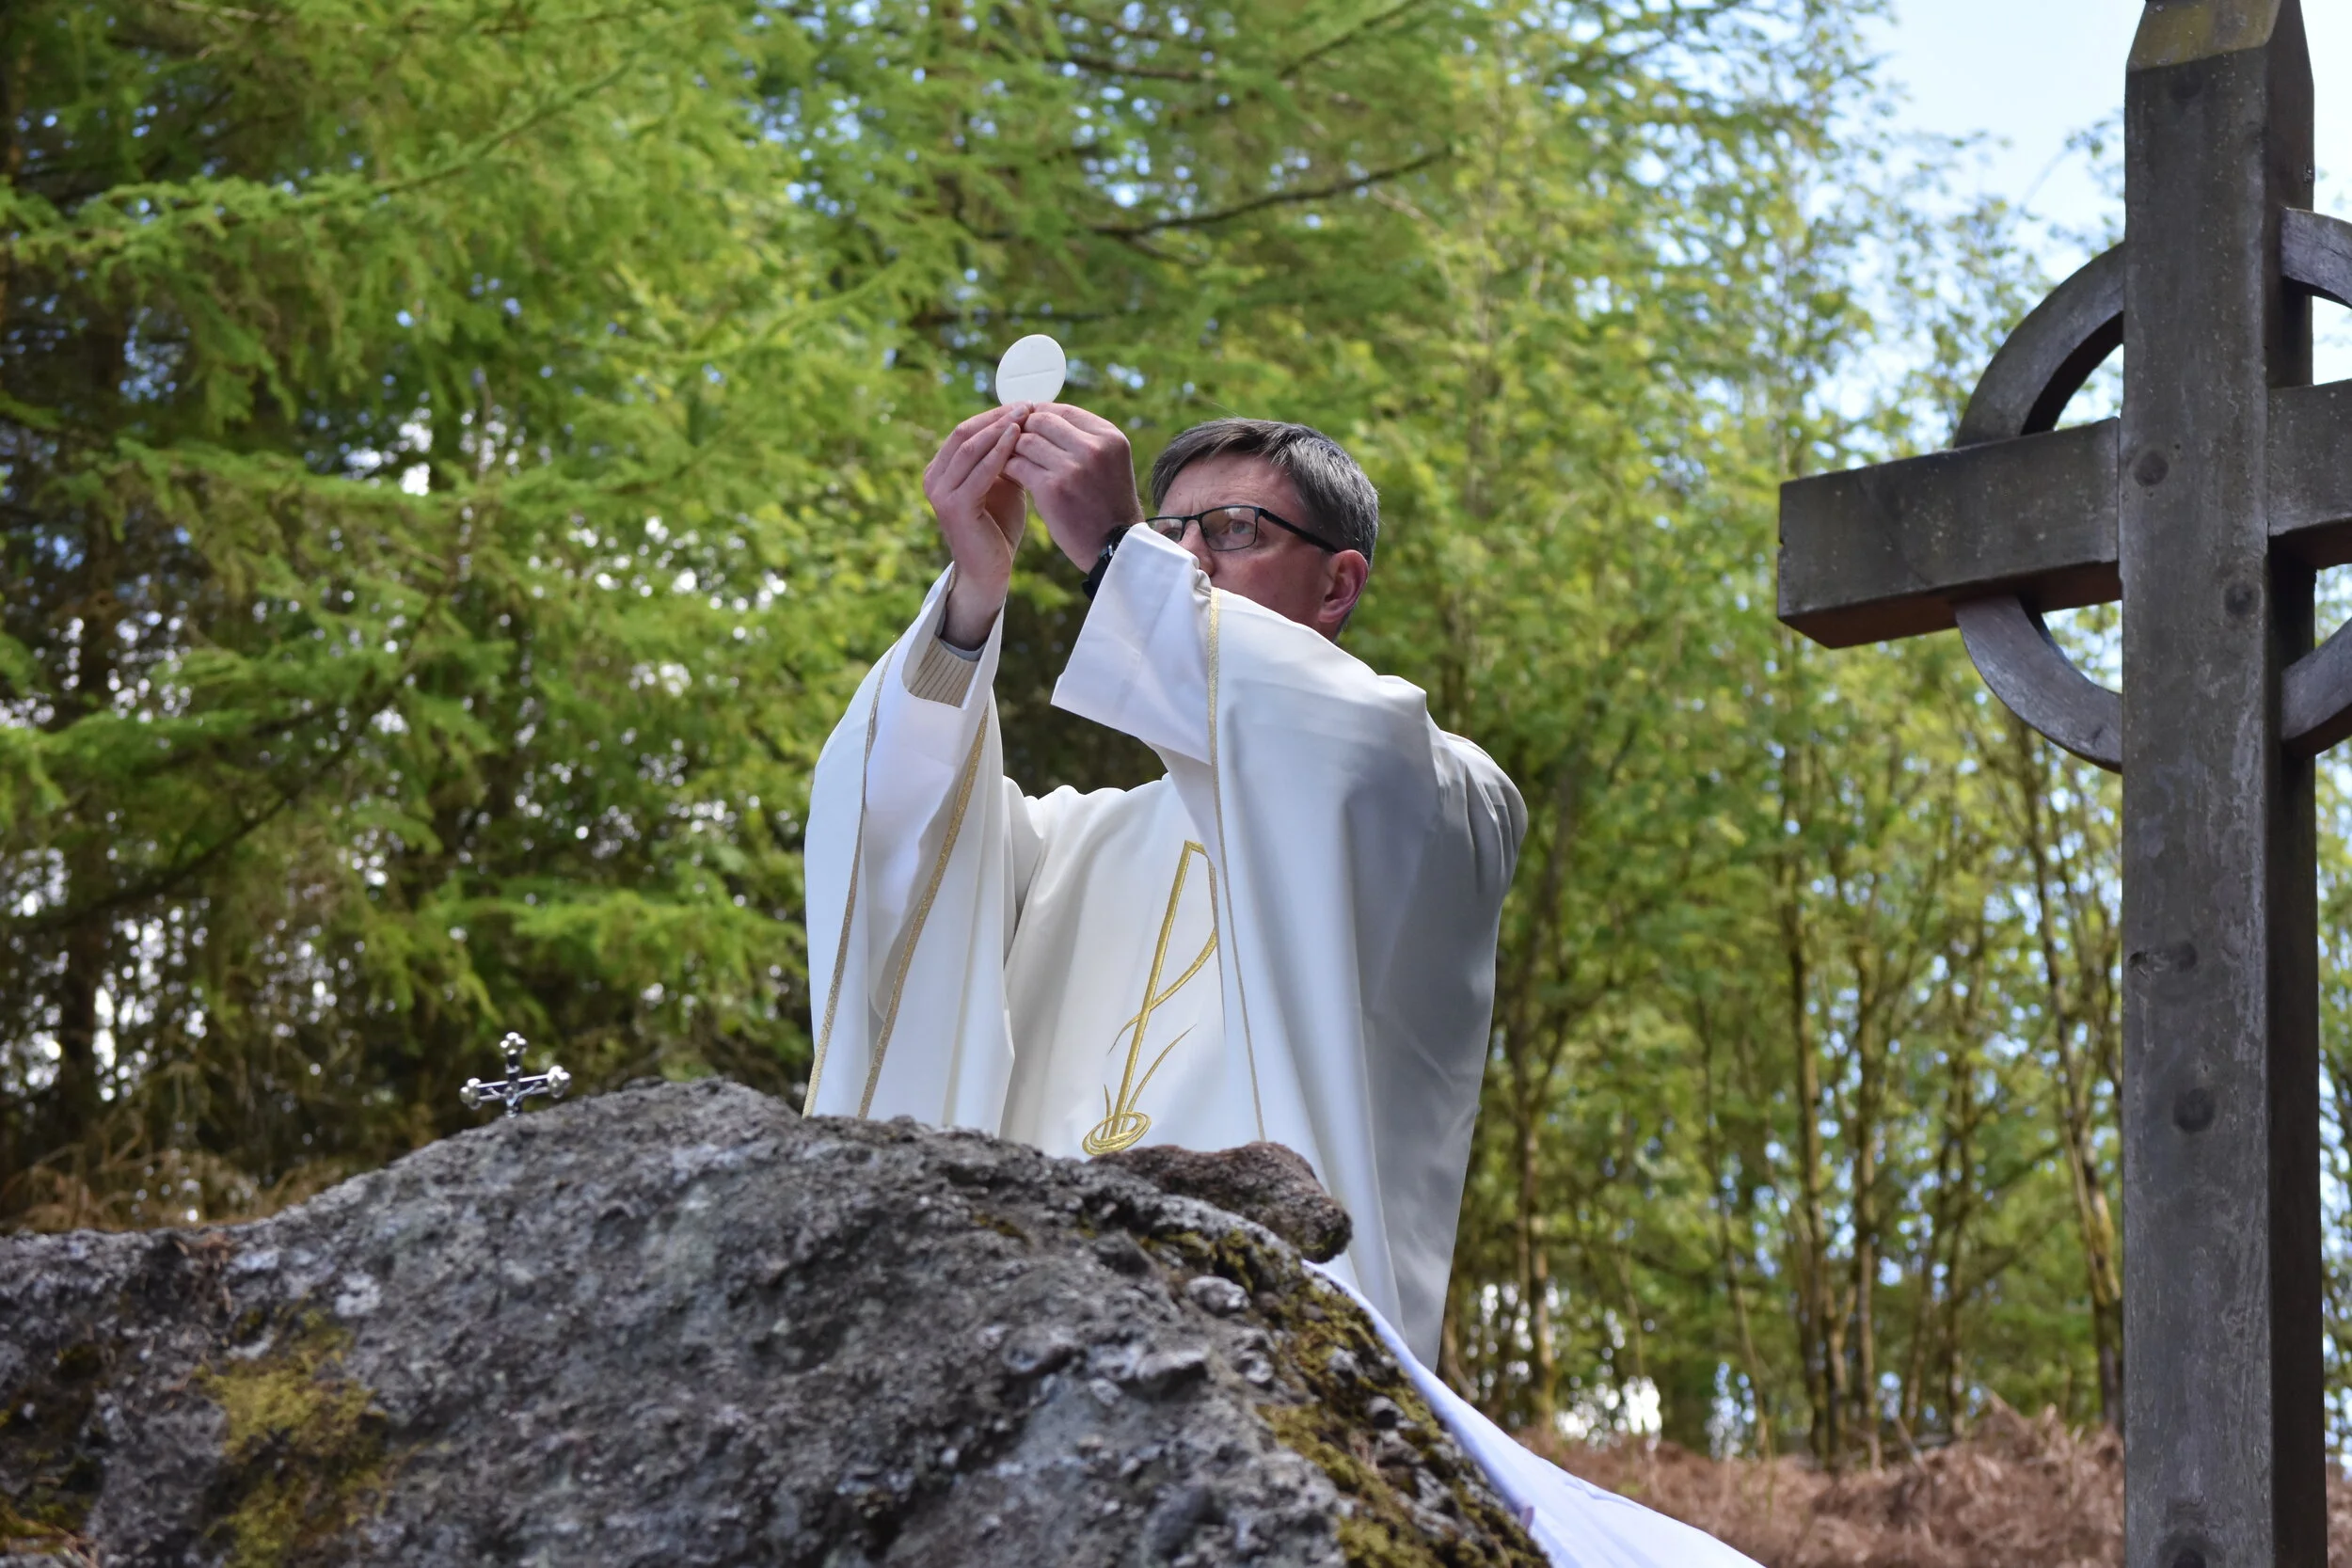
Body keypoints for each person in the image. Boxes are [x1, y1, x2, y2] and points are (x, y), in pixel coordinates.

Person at [801, 402, 1761, 1568]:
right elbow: (898, 853)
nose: (1187, 556)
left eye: (1235, 530)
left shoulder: (1439, 792)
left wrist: (1116, 553)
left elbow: (1332, 748)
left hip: (1273, 1357)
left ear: (1337, 582)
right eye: (1171, 528)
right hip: (1026, 1343)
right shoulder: (1077, 837)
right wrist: (968, 602)